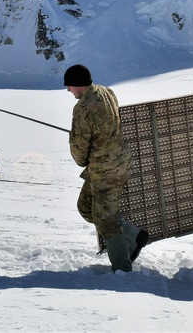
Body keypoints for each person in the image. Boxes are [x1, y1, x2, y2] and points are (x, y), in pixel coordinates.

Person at [65, 63, 148, 272]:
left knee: (104, 219)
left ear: (78, 85)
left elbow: (78, 146)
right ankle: (134, 235)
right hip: (116, 162)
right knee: (85, 207)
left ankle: (121, 268)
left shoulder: (83, 108)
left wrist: (82, 159)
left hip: (106, 169)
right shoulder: (106, 91)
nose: (68, 90)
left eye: (70, 87)